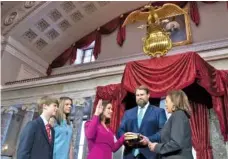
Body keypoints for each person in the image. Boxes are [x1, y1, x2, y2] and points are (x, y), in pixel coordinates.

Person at [117, 85, 167, 159]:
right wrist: (125, 139)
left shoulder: (159, 112)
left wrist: (148, 139)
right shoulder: (128, 113)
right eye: (137, 95)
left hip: (150, 154)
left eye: (142, 95)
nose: (139, 97)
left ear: (148, 95)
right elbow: (120, 131)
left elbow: (163, 132)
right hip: (130, 155)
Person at [148, 90, 193, 159]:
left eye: (166, 101)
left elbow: (176, 143)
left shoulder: (178, 115)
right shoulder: (177, 115)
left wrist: (157, 147)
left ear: (174, 102)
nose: (165, 104)